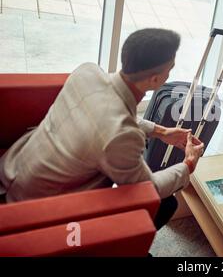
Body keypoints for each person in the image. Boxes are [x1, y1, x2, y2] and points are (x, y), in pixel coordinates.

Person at [0, 28, 204, 229]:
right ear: (154, 79)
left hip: (13, 169)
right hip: (36, 207)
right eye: (170, 68)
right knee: (166, 204)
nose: (170, 73)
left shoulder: (87, 71)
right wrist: (189, 164)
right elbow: (147, 188)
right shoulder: (122, 136)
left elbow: (104, 113)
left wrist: (161, 131)